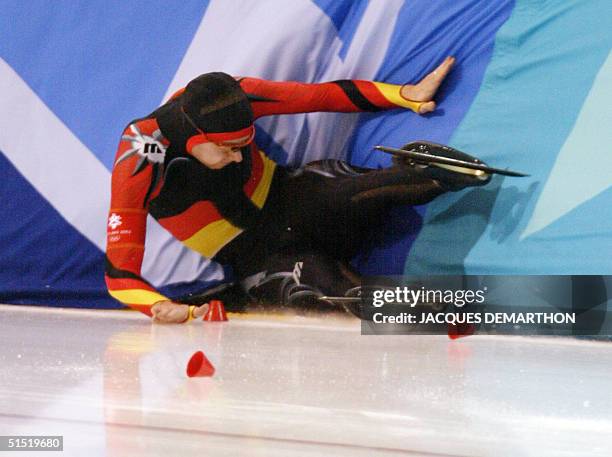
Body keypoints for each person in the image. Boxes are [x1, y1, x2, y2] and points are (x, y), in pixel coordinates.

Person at [105, 56, 490, 323]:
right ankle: (454, 313)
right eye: (229, 149)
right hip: (256, 251)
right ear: (196, 139)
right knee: (339, 294)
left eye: (245, 146)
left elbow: (319, 96)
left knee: (372, 190)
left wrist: (403, 94)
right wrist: (158, 305)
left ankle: (413, 172)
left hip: (295, 196)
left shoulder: (235, 94)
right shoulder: (140, 154)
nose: (239, 159)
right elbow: (119, 275)